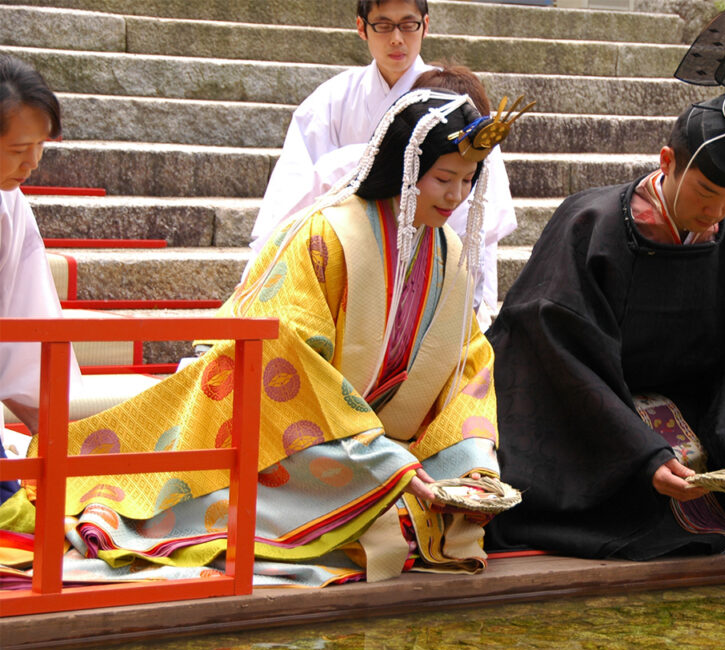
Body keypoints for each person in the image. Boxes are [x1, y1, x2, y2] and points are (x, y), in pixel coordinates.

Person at [0, 89, 529, 587]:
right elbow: (285, 359)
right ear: (407, 169)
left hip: (381, 446)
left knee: (438, 523)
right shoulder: (326, 235)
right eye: (444, 179)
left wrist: (471, 461)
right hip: (289, 438)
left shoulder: (450, 257)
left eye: (467, 180)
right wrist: (380, 459)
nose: (456, 196)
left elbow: (468, 365)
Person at [483, 83, 725, 560]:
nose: (716, 212)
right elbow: (556, 347)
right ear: (667, 161)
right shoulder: (590, 225)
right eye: (706, 192)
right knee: (631, 513)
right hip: (590, 404)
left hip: (693, 402)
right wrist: (642, 455)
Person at [251, 0, 517, 321]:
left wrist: (471, 304)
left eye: (408, 25)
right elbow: (290, 203)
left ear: (425, 25)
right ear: (362, 27)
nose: (396, 39)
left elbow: (476, 213)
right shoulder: (330, 101)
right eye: (383, 25)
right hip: (345, 261)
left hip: (431, 263)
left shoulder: (456, 104)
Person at [0, 55, 80, 503]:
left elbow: (26, 313)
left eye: (41, 147)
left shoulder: (9, 203)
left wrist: (52, 428)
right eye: (17, 149)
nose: (31, 163)